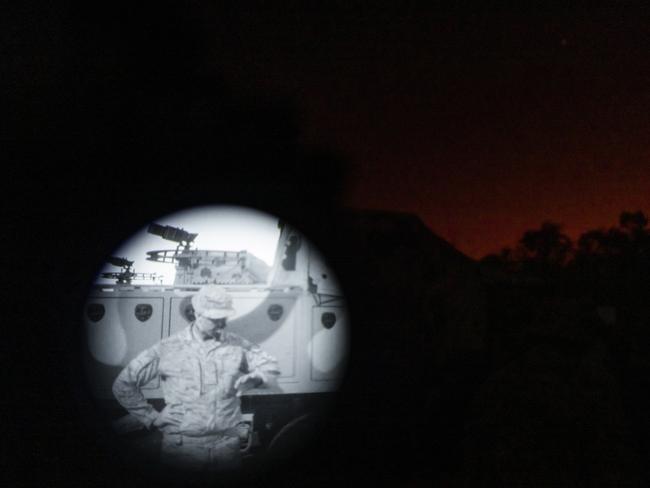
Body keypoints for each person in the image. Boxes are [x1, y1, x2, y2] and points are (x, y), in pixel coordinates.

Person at [112, 285, 280, 471]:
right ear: (197, 314)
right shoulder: (168, 348)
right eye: (215, 319)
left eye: (224, 318)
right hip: (183, 449)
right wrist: (151, 417)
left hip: (227, 448)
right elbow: (123, 384)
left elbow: (269, 365)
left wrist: (257, 378)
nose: (222, 324)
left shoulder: (236, 344)